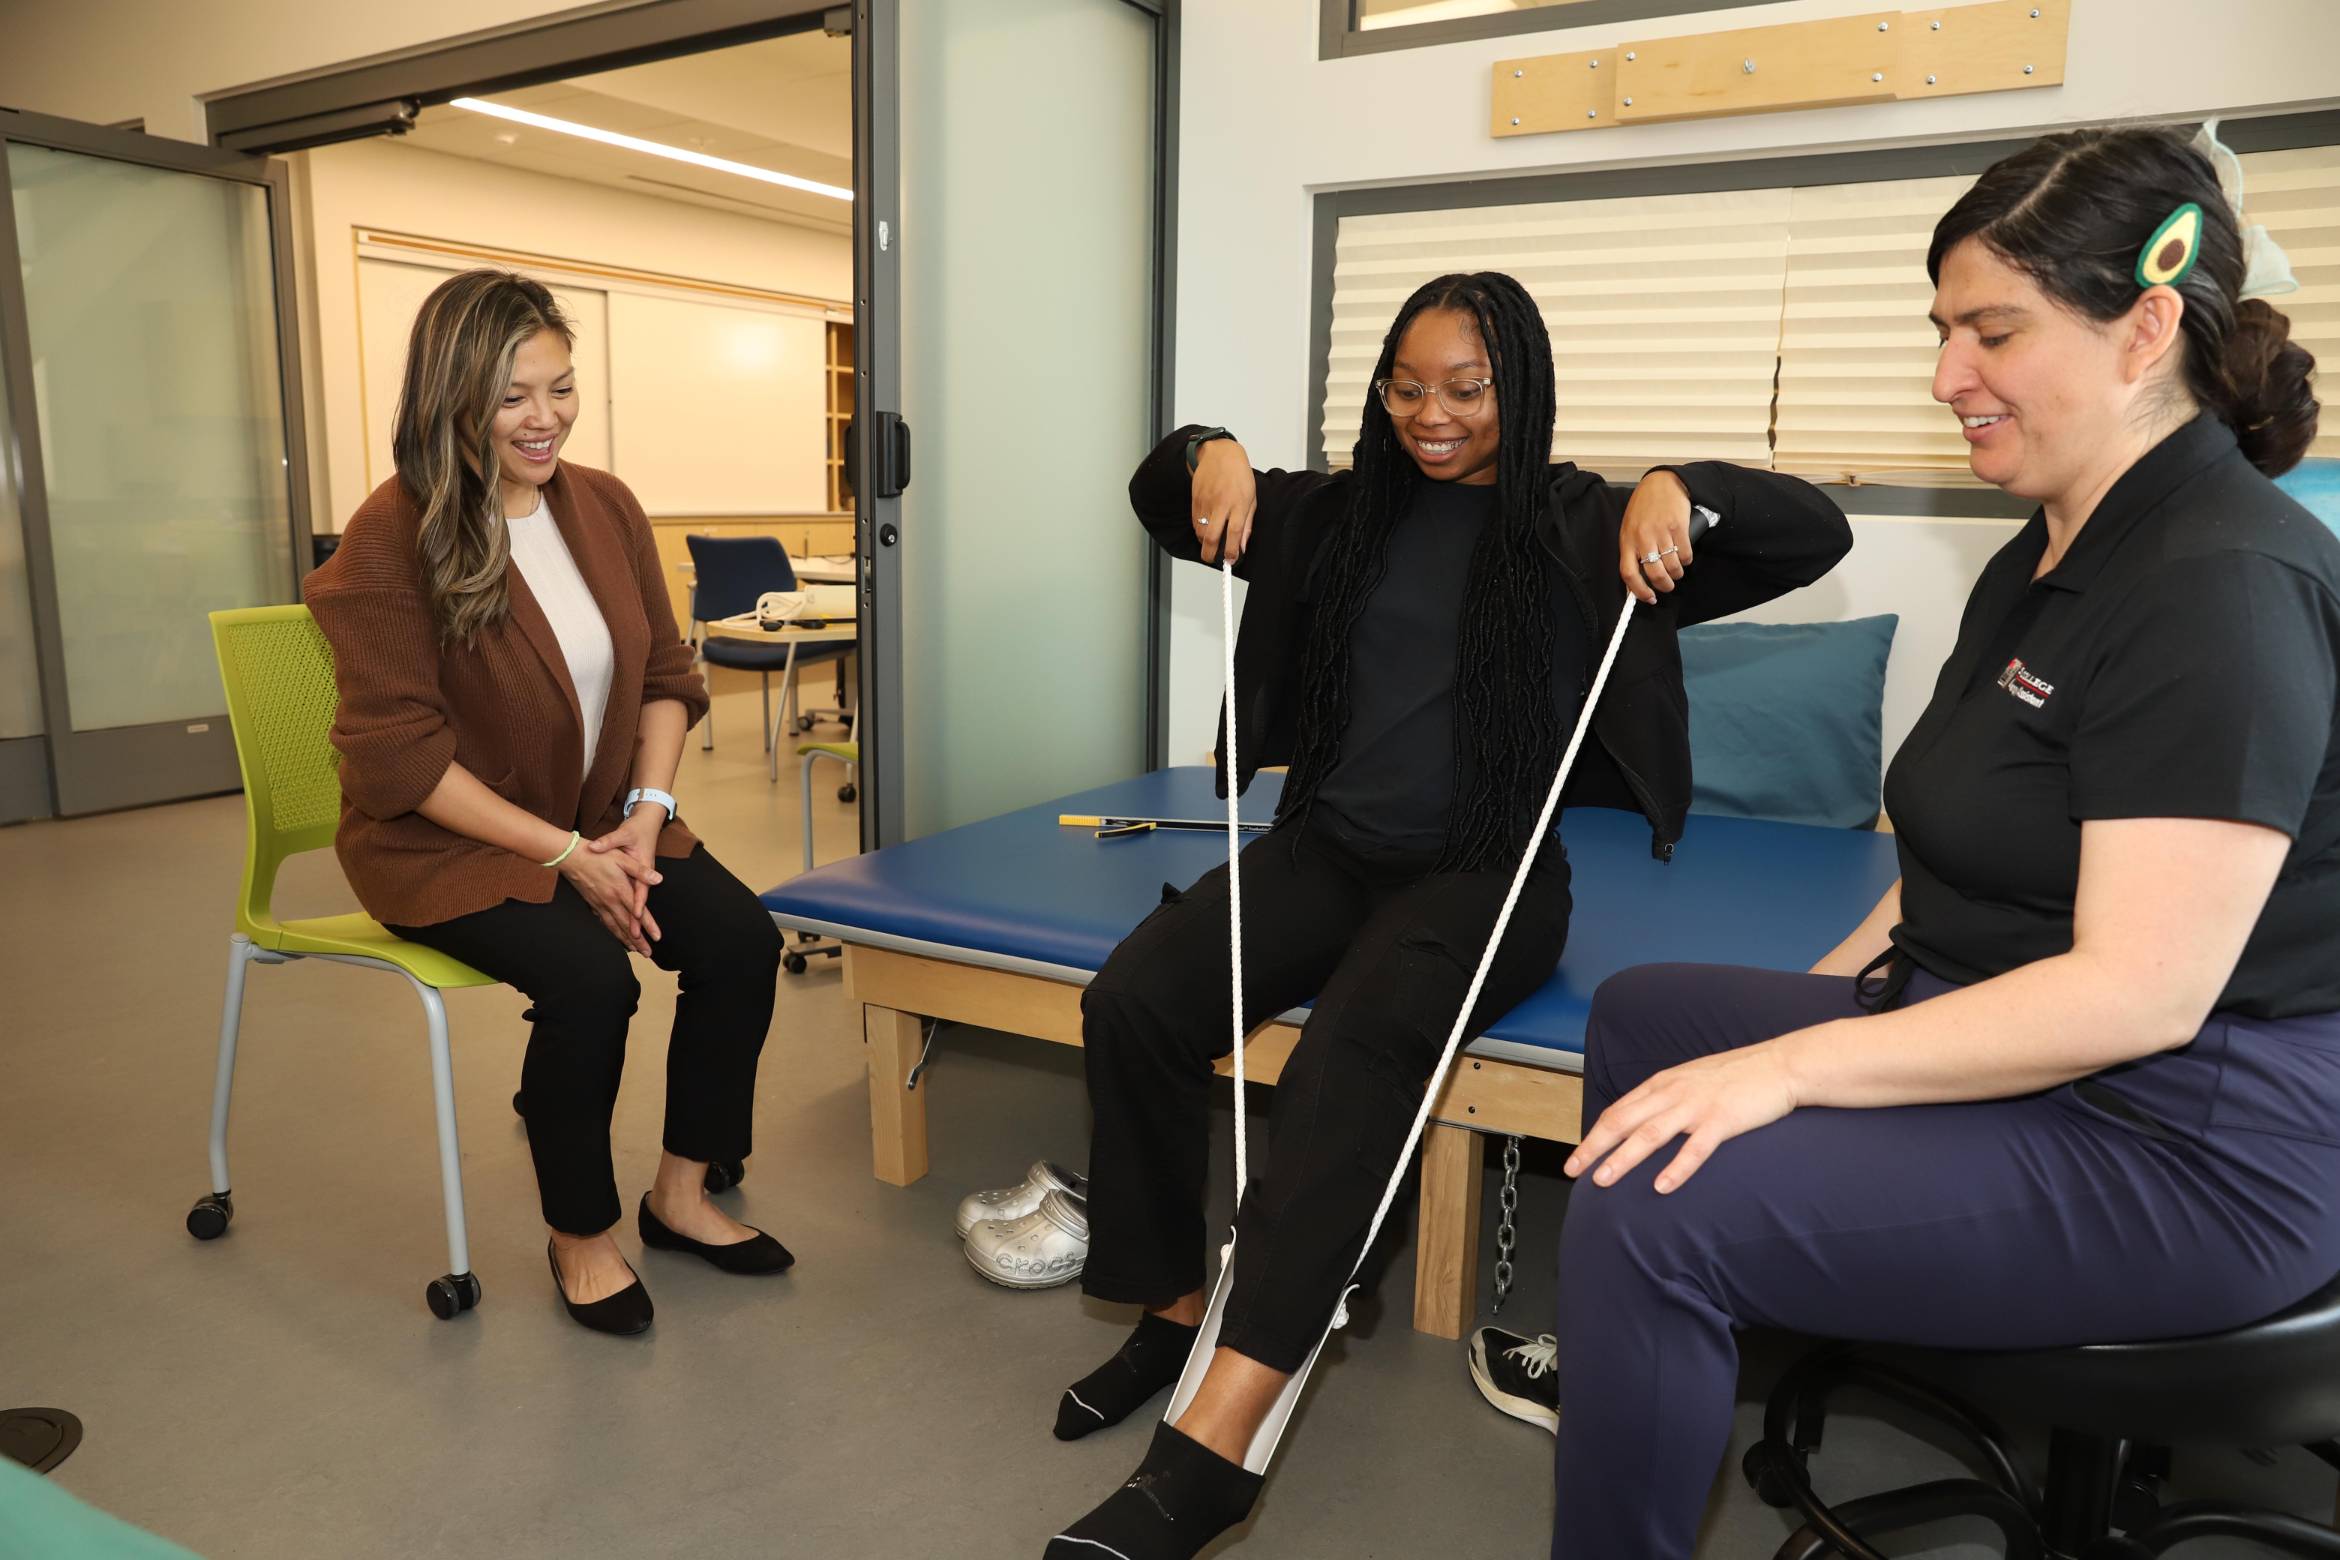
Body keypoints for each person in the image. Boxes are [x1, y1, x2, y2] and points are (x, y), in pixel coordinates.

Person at [1537, 126, 2336, 1558]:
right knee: (1652, 1022)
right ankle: (1680, 1361)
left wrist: (1789, 1068)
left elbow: (2139, 991)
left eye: (1993, 331)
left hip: (2199, 1136)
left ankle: (1669, 1329)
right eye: (1942, 329)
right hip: (2052, 1039)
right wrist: (1830, 1011)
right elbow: (1965, 843)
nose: (1946, 376)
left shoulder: (2220, 581)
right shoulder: (2051, 549)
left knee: (1654, 1213)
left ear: (2144, 328)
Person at [1041, 271, 1854, 1559]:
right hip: (1330, 847)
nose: (1434, 414)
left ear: (1518, 390)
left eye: (1468, 391)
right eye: (1407, 386)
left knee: (1345, 1061)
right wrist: (1211, 453)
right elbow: (1160, 498)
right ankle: (1174, 1308)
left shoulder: (1585, 529)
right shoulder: (1331, 515)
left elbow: (1810, 532)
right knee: (1133, 999)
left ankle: (1215, 1449)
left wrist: (1683, 487)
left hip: (1490, 874)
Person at [303, 270, 791, 1338]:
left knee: (740, 940)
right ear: (452, 398)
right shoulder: (394, 536)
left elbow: (667, 673)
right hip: (444, 844)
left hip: (609, 816)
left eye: (562, 388)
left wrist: (646, 816)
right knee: (589, 983)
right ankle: (581, 1235)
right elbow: (398, 761)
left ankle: (680, 1195)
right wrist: (568, 857)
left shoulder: (602, 503)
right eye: (514, 395)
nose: (546, 418)